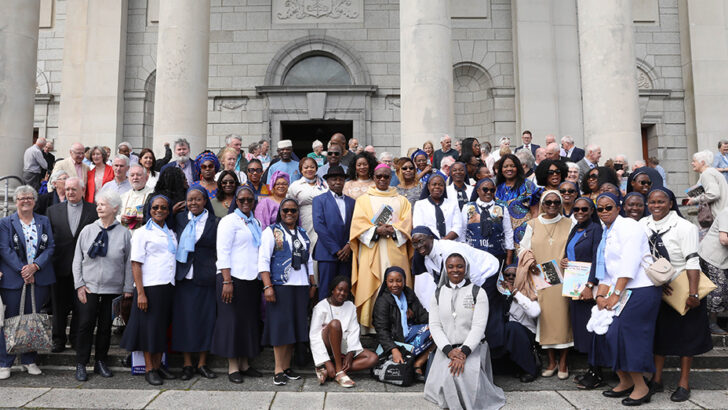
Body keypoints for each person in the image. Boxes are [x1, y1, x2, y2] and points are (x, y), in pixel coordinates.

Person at [589, 192, 661, 405]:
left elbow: (628, 264)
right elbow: (607, 270)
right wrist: (601, 295)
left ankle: (641, 386)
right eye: (600, 208)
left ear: (618, 208)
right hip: (619, 289)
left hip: (639, 290)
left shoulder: (629, 226)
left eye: (608, 207)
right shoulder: (606, 231)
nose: (603, 212)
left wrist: (615, 295)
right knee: (605, 333)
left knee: (625, 335)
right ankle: (625, 379)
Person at [641, 187, 712, 402]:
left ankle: (683, 383)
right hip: (656, 287)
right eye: (652, 202)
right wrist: (657, 281)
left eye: (661, 202)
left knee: (686, 336)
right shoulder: (641, 225)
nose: (656, 206)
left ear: (670, 203)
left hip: (682, 286)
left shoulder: (685, 226)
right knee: (659, 335)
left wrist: (693, 294)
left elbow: (692, 261)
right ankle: (657, 380)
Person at [424, 253, 506, 410]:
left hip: (472, 348)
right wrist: (449, 351)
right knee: (450, 375)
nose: (455, 270)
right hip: (446, 349)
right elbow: (435, 326)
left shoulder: (478, 292)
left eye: (459, 266)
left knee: (460, 376)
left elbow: (478, 327)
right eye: (451, 266)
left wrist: (464, 353)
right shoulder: (437, 294)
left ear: (466, 268)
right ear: (445, 270)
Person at [71, 190, 132, 381]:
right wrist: (79, 285)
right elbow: (77, 260)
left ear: (115, 208)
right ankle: (81, 364)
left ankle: (100, 362)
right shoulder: (88, 230)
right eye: (98, 204)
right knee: (85, 324)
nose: (98, 207)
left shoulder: (124, 233)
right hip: (88, 287)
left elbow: (129, 263)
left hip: (112, 289)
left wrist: (127, 288)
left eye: (103, 204)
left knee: (105, 327)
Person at [120, 195, 178, 386]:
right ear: (149, 210)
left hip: (167, 285)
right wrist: (141, 293)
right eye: (155, 208)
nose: (159, 210)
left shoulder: (171, 232)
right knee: (149, 329)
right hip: (150, 287)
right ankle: (149, 368)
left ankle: (159, 365)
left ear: (168, 211)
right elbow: (136, 264)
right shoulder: (142, 232)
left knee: (162, 328)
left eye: (163, 208)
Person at [0, 186, 55, 379]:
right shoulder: (6, 222)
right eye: (22, 198)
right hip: (14, 279)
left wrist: (35, 267)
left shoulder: (44, 221)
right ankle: (5, 362)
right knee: (11, 320)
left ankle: (29, 360)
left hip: (39, 277)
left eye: (29, 197)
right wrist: (23, 269)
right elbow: (4, 249)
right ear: (16, 201)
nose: (26, 201)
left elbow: (50, 247)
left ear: (34, 200)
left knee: (32, 319)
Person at [259, 199, 315, 385]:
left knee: (294, 327)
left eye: (293, 210)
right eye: (285, 210)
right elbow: (263, 260)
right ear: (280, 212)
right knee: (280, 327)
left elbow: (308, 261)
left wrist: (312, 284)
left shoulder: (302, 233)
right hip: (280, 285)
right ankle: (277, 369)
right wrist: (268, 286)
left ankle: (287, 366)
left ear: (298, 213)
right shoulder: (271, 231)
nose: (289, 213)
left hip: (300, 286)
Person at [519, 191, 574, 380]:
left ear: (561, 204)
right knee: (547, 320)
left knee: (564, 319)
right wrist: (529, 259)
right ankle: (551, 362)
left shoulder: (570, 223)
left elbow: (576, 247)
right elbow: (522, 249)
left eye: (556, 202)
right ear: (542, 203)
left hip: (565, 278)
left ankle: (564, 362)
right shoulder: (532, 224)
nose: (552, 205)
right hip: (541, 278)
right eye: (548, 201)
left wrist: (570, 259)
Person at [350, 164, 413, 330]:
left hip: (395, 249)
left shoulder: (402, 200)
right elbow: (357, 225)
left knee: (397, 283)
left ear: (391, 177)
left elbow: (407, 224)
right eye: (379, 177)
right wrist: (376, 230)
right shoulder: (363, 200)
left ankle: (398, 325)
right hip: (372, 249)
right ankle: (370, 326)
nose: (383, 179)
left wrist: (393, 230)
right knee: (372, 284)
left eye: (386, 176)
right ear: (374, 177)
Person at [212, 186, 264, 383]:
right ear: (236, 200)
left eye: (249, 200)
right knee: (232, 323)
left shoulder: (256, 222)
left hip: (251, 279)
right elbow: (222, 251)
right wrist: (227, 280)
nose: (245, 202)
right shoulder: (228, 221)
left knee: (248, 322)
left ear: (254, 201)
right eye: (241, 199)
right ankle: (233, 367)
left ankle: (244, 364)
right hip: (231, 279)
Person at [171, 186, 219, 381]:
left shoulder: (215, 222)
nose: (193, 203)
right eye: (190, 200)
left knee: (205, 320)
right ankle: (187, 364)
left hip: (205, 277)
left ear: (205, 200)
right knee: (185, 321)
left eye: (197, 199)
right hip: (183, 276)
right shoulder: (180, 219)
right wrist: (172, 212)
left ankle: (202, 363)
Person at [47, 177, 97, 353]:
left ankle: (76, 339)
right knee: (59, 307)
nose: (70, 192)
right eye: (67, 189)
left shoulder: (93, 210)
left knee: (80, 305)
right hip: (59, 266)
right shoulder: (52, 211)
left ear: (83, 190)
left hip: (85, 267)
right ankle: (58, 339)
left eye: (74, 189)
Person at [559, 197, 604, 389]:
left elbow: (597, 257)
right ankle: (591, 369)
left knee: (591, 330)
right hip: (573, 286)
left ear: (592, 211)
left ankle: (597, 373)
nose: (580, 212)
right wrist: (564, 261)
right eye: (576, 209)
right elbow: (571, 252)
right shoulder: (575, 228)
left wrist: (590, 284)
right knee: (582, 330)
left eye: (585, 209)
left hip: (587, 287)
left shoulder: (595, 230)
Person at [310, 276, 378, 387]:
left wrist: (350, 354)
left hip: (344, 345)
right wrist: (326, 360)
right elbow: (314, 336)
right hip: (327, 346)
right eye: (339, 289)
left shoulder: (350, 306)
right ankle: (339, 371)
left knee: (373, 358)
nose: (342, 293)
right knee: (335, 324)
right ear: (332, 290)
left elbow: (354, 330)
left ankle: (334, 370)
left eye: (346, 291)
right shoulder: (321, 307)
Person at [372, 267, 433, 382]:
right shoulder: (383, 301)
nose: (395, 284)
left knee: (437, 330)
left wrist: (433, 324)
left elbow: (422, 314)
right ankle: (410, 359)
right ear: (386, 282)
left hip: (408, 333)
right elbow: (382, 330)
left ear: (404, 281)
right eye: (391, 281)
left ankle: (417, 364)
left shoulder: (408, 293)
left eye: (399, 280)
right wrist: (394, 350)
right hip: (394, 339)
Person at [312, 165, 354, 300]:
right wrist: (336, 250)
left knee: (344, 290)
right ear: (327, 182)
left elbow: (355, 226)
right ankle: (323, 320)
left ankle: (342, 320)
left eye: (341, 179)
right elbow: (319, 227)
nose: (337, 182)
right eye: (334, 179)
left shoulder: (352, 202)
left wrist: (348, 246)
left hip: (346, 254)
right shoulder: (319, 200)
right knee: (325, 290)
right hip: (327, 253)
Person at [461, 178, 514, 267]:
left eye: (492, 190)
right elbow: (462, 232)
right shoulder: (468, 208)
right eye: (485, 189)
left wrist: (509, 259)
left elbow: (508, 233)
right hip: (473, 257)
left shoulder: (501, 208)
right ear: (478, 190)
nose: (489, 192)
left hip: (497, 256)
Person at [494, 154, 541, 246]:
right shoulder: (497, 187)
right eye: (505, 166)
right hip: (503, 235)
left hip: (524, 234)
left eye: (512, 166)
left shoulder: (528, 185)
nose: (509, 169)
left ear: (518, 168)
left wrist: (534, 233)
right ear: (501, 169)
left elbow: (535, 212)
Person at [288, 157, 328, 256]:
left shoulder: (324, 185)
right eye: (306, 167)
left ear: (316, 168)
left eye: (312, 167)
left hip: (323, 220)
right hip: (304, 220)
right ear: (301, 170)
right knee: (306, 248)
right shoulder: (295, 185)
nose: (309, 169)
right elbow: (289, 204)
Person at [698, 206, 728, 335]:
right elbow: (724, 239)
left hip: (722, 258)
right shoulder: (726, 212)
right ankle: (711, 323)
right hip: (712, 256)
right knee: (718, 288)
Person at [413, 173, 462, 241]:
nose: (437, 187)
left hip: (450, 244)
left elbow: (457, 227)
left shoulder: (453, 204)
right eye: (434, 184)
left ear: (444, 187)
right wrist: (434, 243)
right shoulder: (420, 205)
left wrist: (443, 241)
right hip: (429, 245)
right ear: (428, 186)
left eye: (440, 185)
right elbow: (419, 227)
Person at [687, 150, 728, 218]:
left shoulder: (707, 174)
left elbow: (713, 194)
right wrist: (692, 197)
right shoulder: (711, 172)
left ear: (702, 162)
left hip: (718, 217)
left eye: (694, 161)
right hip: (721, 215)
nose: (692, 163)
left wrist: (694, 200)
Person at [118, 165, 152, 230]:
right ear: (128, 178)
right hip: (126, 233)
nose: (135, 178)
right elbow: (115, 215)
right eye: (132, 175)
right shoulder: (124, 196)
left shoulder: (152, 194)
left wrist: (145, 218)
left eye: (139, 175)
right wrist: (121, 219)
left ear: (146, 178)